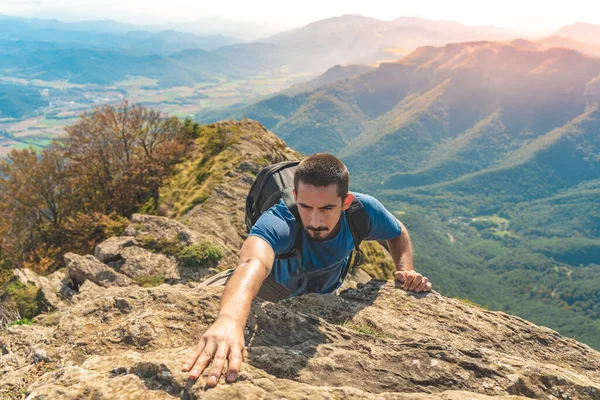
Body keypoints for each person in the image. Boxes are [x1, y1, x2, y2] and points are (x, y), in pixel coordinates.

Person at [181, 153, 432, 386]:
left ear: (345, 202)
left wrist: (405, 270)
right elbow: (252, 262)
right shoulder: (281, 220)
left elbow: (397, 233)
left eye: (326, 209)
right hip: (272, 284)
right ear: (295, 196)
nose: (314, 221)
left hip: (323, 292)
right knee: (197, 302)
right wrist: (228, 320)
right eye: (306, 207)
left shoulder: (363, 212)